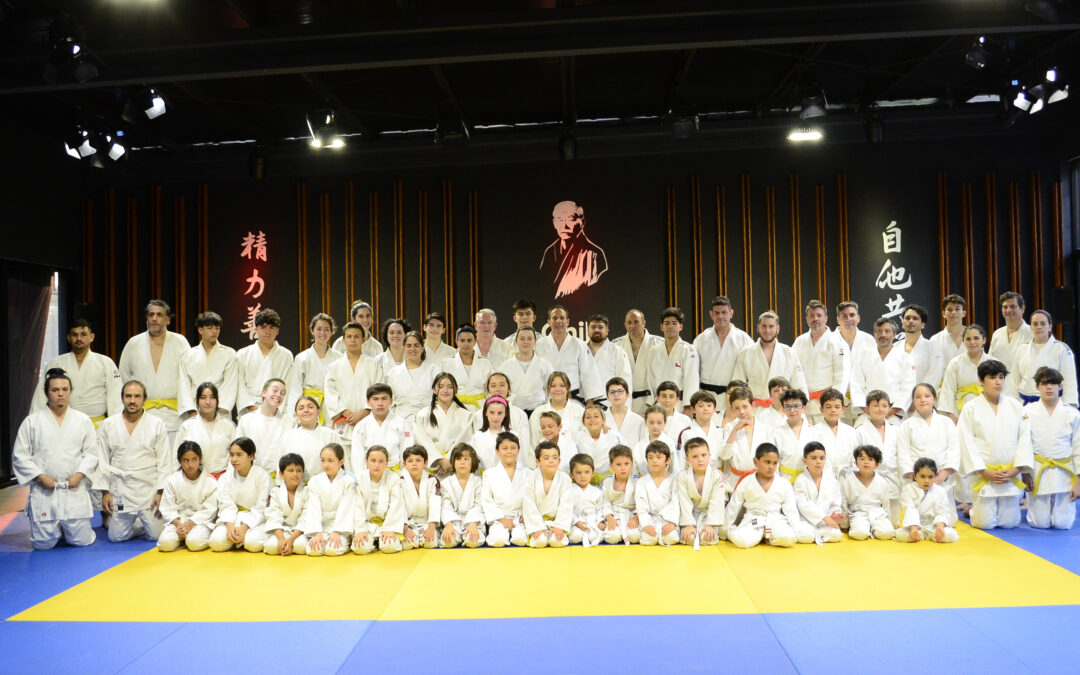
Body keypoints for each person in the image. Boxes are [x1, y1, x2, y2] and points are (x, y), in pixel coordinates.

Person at [13, 368, 99, 549]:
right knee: (43, 545)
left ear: (70, 392)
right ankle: (55, 531)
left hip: (73, 488)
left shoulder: (82, 420)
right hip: (45, 490)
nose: (60, 393)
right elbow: (20, 456)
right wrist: (40, 477)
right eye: (55, 390)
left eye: (65, 389)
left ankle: (68, 530)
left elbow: (92, 453)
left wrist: (80, 474)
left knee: (81, 541)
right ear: (46, 393)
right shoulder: (32, 422)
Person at [98, 380, 171, 543]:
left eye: (137, 396)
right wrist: (105, 492)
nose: (132, 400)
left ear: (144, 398)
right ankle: (138, 523)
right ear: (122, 398)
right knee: (116, 537)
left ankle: (143, 520)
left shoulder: (156, 424)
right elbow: (102, 459)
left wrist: (160, 493)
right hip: (121, 489)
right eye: (128, 396)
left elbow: (164, 461)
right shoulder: (109, 424)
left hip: (148, 489)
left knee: (156, 536)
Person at [118, 299, 190, 443]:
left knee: (171, 462)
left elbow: (189, 378)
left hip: (173, 416)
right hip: (141, 414)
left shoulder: (180, 342)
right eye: (151, 315)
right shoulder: (134, 343)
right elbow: (123, 379)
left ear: (168, 319)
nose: (154, 319)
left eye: (159, 315)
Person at [31, 318, 122, 424]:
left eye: (83, 334)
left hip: (97, 426)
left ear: (91, 337)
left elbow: (115, 398)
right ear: (69, 338)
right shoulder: (56, 363)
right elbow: (40, 397)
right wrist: (34, 424)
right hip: (64, 424)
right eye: (74, 335)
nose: (79, 338)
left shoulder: (105, 362)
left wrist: (117, 427)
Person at [1022, 367, 1080, 529]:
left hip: (1065, 471)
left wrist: (1079, 480)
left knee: (1063, 524)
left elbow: (1078, 448)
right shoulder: (1027, 412)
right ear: (1037, 387)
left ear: (1060, 387)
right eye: (1044, 383)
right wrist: (1025, 473)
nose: (1049, 387)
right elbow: (1022, 445)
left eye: (1054, 383)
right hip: (1038, 469)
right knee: (1039, 523)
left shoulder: (1072, 413)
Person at [896, 383, 959, 518]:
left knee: (949, 520)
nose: (923, 400)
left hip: (941, 479)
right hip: (916, 480)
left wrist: (943, 474)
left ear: (934, 399)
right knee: (915, 519)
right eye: (918, 397)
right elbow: (903, 453)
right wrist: (916, 477)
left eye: (927, 396)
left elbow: (954, 450)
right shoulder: (907, 425)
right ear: (913, 401)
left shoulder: (946, 422)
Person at [725, 443, 799, 548]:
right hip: (753, 518)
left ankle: (767, 537)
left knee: (787, 538)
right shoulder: (747, 482)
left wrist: (795, 529)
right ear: (756, 461)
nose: (771, 467)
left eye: (774, 463)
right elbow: (734, 506)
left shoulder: (783, 484)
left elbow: (791, 510)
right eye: (767, 462)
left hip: (775, 519)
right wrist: (724, 528)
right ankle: (747, 534)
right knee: (743, 542)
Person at [732, 311, 808, 411]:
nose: (767, 330)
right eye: (764, 326)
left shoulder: (789, 353)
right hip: (755, 410)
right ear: (758, 328)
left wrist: (800, 407)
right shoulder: (745, 353)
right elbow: (738, 385)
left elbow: (799, 383)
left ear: (778, 329)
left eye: (771, 326)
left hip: (782, 409)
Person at [324, 321, 384, 446]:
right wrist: (346, 413)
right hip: (344, 421)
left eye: (357, 336)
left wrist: (363, 413)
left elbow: (379, 391)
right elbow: (330, 393)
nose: (353, 340)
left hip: (368, 419)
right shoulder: (334, 367)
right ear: (343, 340)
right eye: (349, 337)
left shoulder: (373, 364)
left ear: (363, 339)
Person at [209, 437, 272, 552]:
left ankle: (241, 539)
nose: (234, 459)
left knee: (252, 544)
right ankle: (236, 538)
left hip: (256, 520)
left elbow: (261, 507)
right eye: (232, 455)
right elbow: (225, 505)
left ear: (251, 456)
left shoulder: (262, 476)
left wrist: (244, 528)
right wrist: (229, 526)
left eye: (239, 455)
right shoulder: (225, 478)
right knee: (216, 542)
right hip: (233, 518)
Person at [693, 295, 754, 412]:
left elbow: (750, 371)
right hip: (706, 397)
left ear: (731, 313)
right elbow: (693, 371)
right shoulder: (701, 340)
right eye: (717, 313)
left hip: (734, 397)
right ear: (711, 314)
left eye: (724, 312)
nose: (720, 316)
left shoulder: (743, 339)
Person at [849, 318, 916, 425]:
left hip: (893, 413)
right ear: (874, 334)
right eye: (879, 331)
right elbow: (856, 384)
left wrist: (892, 410)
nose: (883, 335)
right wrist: (866, 408)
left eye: (887, 331)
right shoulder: (863, 356)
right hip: (868, 412)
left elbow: (908, 387)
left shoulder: (905, 358)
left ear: (894, 335)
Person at [540, 199, 608, 298]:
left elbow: (597, 291)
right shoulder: (550, 252)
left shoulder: (594, 254)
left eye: (570, 219)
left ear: (581, 222)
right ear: (554, 223)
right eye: (560, 219)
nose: (564, 225)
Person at [157, 441, 218, 552]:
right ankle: (180, 539)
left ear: (200, 459)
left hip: (200, 523)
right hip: (178, 522)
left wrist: (191, 523)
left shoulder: (210, 481)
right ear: (180, 461)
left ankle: (188, 539)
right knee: (165, 544)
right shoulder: (172, 480)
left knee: (194, 543)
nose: (190, 465)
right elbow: (167, 508)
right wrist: (178, 523)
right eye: (186, 460)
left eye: (194, 459)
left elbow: (210, 509)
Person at [791, 300, 846, 424]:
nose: (815, 319)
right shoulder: (799, 341)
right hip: (804, 402)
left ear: (826, 318)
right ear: (806, 318)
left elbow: (841, 374)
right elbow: (792, 369)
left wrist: (835, 401)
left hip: (826, 401)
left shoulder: (836, 341)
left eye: (819, 315)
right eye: (812, 315)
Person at [1009, 310, 1078, 406]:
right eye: (1035, 324)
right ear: (1031, 327)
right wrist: (1013, 404)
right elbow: (1013, 381)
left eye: (1043, 323)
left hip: (1053, 403)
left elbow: (1069, 380)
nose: (1039, 327)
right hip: (1026, 404)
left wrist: (1069, 405)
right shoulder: (1021, 349)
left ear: (1050, 327)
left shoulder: (1061, 349)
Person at [536, 305, 604, 402]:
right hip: (547, 400)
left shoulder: (579, 345)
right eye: (555, 318)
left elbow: (589, 374)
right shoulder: (539, 345)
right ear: (548, 322)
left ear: (567, 321)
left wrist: (590, 402)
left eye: (562, 318)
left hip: (572, 400)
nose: (558, 321)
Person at [177, 311, 238, 420]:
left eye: (217, 328)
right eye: (210, 328)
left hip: (219, 413)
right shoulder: (188, 355)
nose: (214, 331)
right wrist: (192, 411)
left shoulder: (229, 354)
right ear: (201, 330)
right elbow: (183, 386)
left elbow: (230, 385)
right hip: (194, 411)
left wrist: (216, 410)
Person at [236, 308, 293, 416]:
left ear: (277, 330)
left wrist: (274, 409)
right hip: (249, 411)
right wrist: (252, 408)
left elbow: (288, 386)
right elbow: (240, 386)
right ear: (256, 329)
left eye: (272, 328)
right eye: (263, 327)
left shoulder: (286, 355)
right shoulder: (243, 354)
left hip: (276, 410)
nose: (267, 332)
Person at [412, 372, 473, 473]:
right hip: (431, 467)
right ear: (434, 390)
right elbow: (421, 440)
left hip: (457, 465)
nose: (445, 390)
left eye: (450, 387)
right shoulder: (423, 414)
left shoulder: (466, 415)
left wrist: (450, 461)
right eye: (441, 386)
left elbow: (465, 439)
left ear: (455, 390)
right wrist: (438, 460)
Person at [286, 313, 342, 420]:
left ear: (332, 332)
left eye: (326, 329)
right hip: (309, 406)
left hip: (332, 406)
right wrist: (293, 415)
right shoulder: (302, 358)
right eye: (319, 329)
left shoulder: (338, 358)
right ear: (312, 331)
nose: (322, 333)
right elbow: (295, 388)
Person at [303, 443, 356, 556]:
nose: (325, 464)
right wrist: (317, 532)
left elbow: (346, 508)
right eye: (323, 460)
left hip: (340, 528)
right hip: (321, 527)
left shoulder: (349, 480)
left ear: (341, 462)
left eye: (330, 461)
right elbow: (313, 507)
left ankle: (346, 540)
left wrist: (337, 531)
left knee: (332, 550)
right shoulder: (315, 481)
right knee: (314, 551)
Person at [352, 445, 406, 554]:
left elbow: (396, 504)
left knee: (389, 547)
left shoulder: (393, 478)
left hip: (386, 524)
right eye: (373, 461)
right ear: (366, 462)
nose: (376, 465)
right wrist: (361, 530)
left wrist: (389, 528)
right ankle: (373, 541)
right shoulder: (359, 479)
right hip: (366, 525)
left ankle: (379, 540)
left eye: (381, 461)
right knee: (360, 548)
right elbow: (357, 507)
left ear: (387, 463)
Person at [481, 431, 532, 547]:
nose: (509, 451)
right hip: (499, 518)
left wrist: (526, 515)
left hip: (520, 518)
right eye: (505, 448)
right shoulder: (489, 473)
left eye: (513, 448)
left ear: (519, 450)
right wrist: (501, 519)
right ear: (497, 451)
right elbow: (486, 499)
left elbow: (532, 497)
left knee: (521, 540)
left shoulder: (528, 472)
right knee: (497, 541)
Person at [939, 324, 998, 422]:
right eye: (968, 339)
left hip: (988, 410)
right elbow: (948, 391)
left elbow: (1001, 391)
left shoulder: (994, 363)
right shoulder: (955, 363)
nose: (972, 342)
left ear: (984, 340)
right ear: (963, 341)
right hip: (960, 412)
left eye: (976, 338)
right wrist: (952, 417)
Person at [719, 387, 775, 491]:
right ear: (731, 409)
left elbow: (773, 459)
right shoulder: (729, 427)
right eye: (737, 408)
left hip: (760, 481)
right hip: (735, 482)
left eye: (745, 406)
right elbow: (725, 456)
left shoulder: (766, 429)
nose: (741, 411)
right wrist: (734, 430)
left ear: (753, 405)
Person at [645, 307, 700, 412]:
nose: (670, 326)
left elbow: (691, 380)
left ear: (680, 326)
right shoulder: (654, 351)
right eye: (667, 323)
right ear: (661, 327)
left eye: (674, 323)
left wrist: (688, 407)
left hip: (679, 403)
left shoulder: (688, 349)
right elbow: (650, 379)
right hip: (659, 403)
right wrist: (651, 403)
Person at [174, 382, 236, 477]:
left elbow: (235, 456)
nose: (208, 402)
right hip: (194, 479)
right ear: (197, 401)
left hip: (223, 479)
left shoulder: (228, 426)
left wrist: (226, 478)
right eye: (203, 397)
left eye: (212, 397)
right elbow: (176, 461)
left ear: (217, 400)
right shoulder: (186, 426)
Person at [894, 457, 960, 543]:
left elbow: (943, 511)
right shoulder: (908, 489)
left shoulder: (941, 491)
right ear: (915, 476)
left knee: (952, 535)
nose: (926, 481)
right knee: (900, 535)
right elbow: (909, 508)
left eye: (930, 477)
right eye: (922, 476)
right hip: (914, 525)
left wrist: (940, 527)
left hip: (933, 525)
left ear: (935, 476)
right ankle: (921, 534)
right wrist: (914, 528)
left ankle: (930, 535)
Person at [235, 378, 289, 478]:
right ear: (263, 393)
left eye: (282, 393)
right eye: (275, 390)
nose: (278, 395)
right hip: (251, 477)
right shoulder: (246, 420)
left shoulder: (290, 421)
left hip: (279, 479)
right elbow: (237, 451)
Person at [351, 383, 412, 474]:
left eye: (384, 398)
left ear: (391, 401)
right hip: (370, 475)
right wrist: (364, 479)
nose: (380, 403)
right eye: (375, 399)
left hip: (396, 474)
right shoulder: (361, 427)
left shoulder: (401, 423)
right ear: (368, 402)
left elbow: (408, 451)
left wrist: (403, 476)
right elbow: (357, 458)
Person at [523, 441, 574, 548]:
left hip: (556, 522)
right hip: (537, 522)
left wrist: (559, 526)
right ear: (538, 461)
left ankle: (556, 530)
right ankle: (539, 531)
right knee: (539, 542)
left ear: (559, 461)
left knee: (557, 542)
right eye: (546, 458)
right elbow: (529, 504)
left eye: (555, 458)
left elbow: (566, 505)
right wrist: (536, 527)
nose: (551, 461)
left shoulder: (565, 479)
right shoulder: (531, 477)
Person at [840, 445, 896, 541]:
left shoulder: (881, 481)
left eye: (870, 459)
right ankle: (865, 528)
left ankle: (873, 528)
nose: (866, 462)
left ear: (877, 464)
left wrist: (888, 520)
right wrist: (844, 524)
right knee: (859, 534)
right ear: (856, 462)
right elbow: (844, 502)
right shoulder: (849, 480)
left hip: (878, 513)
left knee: (888, 533)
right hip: (858, 513)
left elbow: (886, 503)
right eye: (862, 459)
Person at [792, 441, 844, 544]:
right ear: (805, 460)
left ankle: (816, 535)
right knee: (805, 536)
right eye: (813, 458)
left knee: (836, 535)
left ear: (825, 459)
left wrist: (834, 515)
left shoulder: (832, 481)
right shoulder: (800, 480)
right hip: (806, 520)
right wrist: (823, 517)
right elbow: (803, 505)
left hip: (826, 519)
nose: (818, 462)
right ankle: (816, 534)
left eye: (822, 458)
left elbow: (835, 504)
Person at [677, 437, 726, 546]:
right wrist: (688, 524)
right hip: (691, 514)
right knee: (689, 538)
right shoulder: (683, 475)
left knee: (707, 538)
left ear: (709, 455)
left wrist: (710, 525)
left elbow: (716, 501)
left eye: (703, 455)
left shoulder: (716, 475)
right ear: (687, 459)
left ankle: (710, 528)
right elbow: (684, 501)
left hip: (708, 515)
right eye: (695, 456)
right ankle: (689, 527)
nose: (700, 459)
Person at [833, 301, 877, 420]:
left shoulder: (869, 340)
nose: (849, 319)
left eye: (852, 315)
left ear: (858, 318)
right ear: (838, 319)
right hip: (836, 399)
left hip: (863, 399)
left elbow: (873, 370)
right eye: (844, 316)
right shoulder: (830, 340)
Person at [615, 309, 663, 415]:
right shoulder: (616, 345)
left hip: (651, 401)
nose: (633, 326)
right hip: (626, 402)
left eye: (636, 322)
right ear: (625, 325)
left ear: (643, 323)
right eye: (629, 323)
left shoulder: (659, 343)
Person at [385, 331, 440, 422]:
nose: (412, 349)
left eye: (416, 345)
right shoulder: (394, 373)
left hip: (427, 419)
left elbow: (439, 399)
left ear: (422, 348)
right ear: (404, 348)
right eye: (409, 345)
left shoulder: (434, 370)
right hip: (401, 420)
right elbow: (389, 402)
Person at [469, 372, 532, 450]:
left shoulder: (520, 414)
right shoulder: (478, 415)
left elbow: (524, 444)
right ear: (488, 390)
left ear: (508, 388)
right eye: (493, 386)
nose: (498, 389)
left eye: (502, 385)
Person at [281, 395, 337, 482]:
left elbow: (340, 464)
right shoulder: (288, 436)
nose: (306, 410)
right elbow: (281, 467)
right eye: (301, 408)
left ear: (318, 412)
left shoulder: (331, 435)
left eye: (310, 407)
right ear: (296, 414)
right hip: (295, 488)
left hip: (324, 487)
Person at [263, 453, 310, 556]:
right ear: (281, 474)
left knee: (300, 547)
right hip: (281, 530)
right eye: (290, 470)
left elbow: (306, 518)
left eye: (299, 471)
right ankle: (285, 546)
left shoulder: (307, 491)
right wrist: (281, 539)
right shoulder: (275, 492)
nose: (295, 474)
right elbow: (273, 516)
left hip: (299, 532)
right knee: (271, 547)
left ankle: (289, 545)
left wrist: (291, 539)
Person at [440, 443, 485, 548]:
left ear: (472, 462)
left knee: (473, 541)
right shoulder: (446, 483)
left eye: (466, 459)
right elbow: (446, 507)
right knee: (448, 541)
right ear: (453, 462)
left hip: (473, 521)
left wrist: (473, 524)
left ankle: (469, 532)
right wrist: (449, 525)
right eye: (458, 459)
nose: (462, 462)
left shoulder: (478, 482)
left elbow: (478, 505)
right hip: (454, 521)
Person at [635, 440, 680, 546]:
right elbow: (641, 507)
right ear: (646, 460)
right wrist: (646, 525)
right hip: (651, 520)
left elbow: (676, 503)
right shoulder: (642, 482)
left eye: (659, 457)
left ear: (668, 460)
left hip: (668, 520)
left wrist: (672, 523)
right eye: (650, 457)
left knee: (670, 538)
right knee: (648, 540)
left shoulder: (675, 479)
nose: (654, 461)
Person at [853, 390, 900, 490]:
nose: (880, 409)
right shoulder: (859, 431)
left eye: (884, 406)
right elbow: (854, 460)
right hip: (868, 481)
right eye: (876, 405)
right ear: (867, 408)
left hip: (893, 481)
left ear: (889, 408)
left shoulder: (896, 430)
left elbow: (902, 456)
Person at [501, 327, 555, 414]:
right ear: (516, 342)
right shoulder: (505, 366)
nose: (526, 342)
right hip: (513, 412)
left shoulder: (545, 365)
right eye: (522, 339)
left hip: (539, 411)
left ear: (535, 342)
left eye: (529, 339)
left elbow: (552, 390)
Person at [773, 389, 823, 484]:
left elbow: (823, 459)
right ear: (783, 409)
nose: (792, 410)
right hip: (785, 480)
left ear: (804, 408)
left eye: (796, 406)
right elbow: (774, 461)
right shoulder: (777, 433)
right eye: (787, 406)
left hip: (809, 480)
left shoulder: (815, 432)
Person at [896, 304, 945, 393]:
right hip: (897, 400)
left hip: (922, 400)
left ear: (923, 324)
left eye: (915, 318)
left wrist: (918, 397)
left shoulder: (933, 348)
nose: (910, 321)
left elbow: (934, 376)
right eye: (907, 318)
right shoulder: (894, 348)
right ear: (902, 323)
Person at [443, 324, 494, 409]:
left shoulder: (485, 363)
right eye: (462, 340)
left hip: (479, 407)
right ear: (456, 342)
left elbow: (490, 389)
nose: (466, 344)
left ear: (475, 342)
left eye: (469, 340)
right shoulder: (447, 363)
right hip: (455, 406)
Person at [585, 314, 633, 402]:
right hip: (582, 403)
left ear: (607, 331)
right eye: (593, 327)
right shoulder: (580, 349)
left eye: (600, 327)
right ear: (587, 330)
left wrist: (624, 408)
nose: (596, 330)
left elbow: (625, 382)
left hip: (608, 404)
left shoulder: (617, 351)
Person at [400, 446, 441, 550]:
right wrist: (405, 530)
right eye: (410, 461)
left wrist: (431, 527)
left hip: (427, 523)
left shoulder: (432, 480)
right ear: (404, 464)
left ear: (425, 463)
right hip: (407, 524)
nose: (414, 464)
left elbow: (435, 503)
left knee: (430, 543)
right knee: (407, 545)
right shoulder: (399, 481)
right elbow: (399, 506)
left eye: (418, 460)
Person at [529, 371, 584, 444]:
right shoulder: (538, 412)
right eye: (553, 386)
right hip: (545, 454)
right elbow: (532, 442)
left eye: (562, 385)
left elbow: (585, 440)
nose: (557, 389)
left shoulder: (579, 411)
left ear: (568, 388)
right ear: (548, 389)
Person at [575, 402, 624, 483]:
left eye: (596, 416)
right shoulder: (578, 437)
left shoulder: (613, 436)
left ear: (603, 420)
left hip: (609, 479)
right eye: (588, 417)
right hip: (583, 479)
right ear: (583, 422)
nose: (592, 420)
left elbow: (625, 455)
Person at [812, 388, 857, 478]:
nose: (833, 410)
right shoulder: (814, 431)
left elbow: (856, 457)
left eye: (837, 407)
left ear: (842, 409)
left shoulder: (850, 431)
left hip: (848, 476)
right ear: (821, 409)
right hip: (824, 476)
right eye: (828, 407)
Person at [601, 445, 641, 544]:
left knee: (634, 536)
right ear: (611, 466)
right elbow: (604, 502)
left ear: (632, 464)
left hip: (632, 514)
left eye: (626, 464)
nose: (623, 468)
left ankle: (625, 533)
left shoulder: (638, 481)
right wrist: (609, 518)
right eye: (618, 464)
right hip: (615, 515)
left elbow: (642, 502)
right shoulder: (607, 482)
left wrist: (636, 518)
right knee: (612, 537)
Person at [988, 291, 1033, 375]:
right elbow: (991, 362)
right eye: (1005, 307)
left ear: (1022, 309)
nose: (1008, 310)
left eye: (1013, 306)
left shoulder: (1032, 333)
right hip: (1000, 384)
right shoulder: (997, 334)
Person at [676, 390, 725, 464]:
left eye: (709, 405)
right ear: (693, 409)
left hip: (718, 472)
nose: (705, 409)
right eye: (701, 406)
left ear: (714, 409)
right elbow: (681, 460)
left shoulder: (721, 432)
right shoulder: (686, 433)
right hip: (693, 472)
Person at [568, 453, 605, 546]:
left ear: (593, 473)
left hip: (592, 523)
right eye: (578, 472)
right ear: (572, 474)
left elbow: (600, 509)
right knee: (575, 536)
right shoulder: (568, 490)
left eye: (587, 472)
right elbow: (566, 510)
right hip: (575, 524)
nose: (583, 476)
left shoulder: (597, 492)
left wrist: (600, 521)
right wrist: (576, 522)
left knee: (595, 537)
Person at [469, 396, 515, 471]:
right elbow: (473, 464)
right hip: (483, 479)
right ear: (486, 413)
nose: (496, 417)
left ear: (505, 413)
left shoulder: (514, 435)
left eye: (500, 413)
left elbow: (520, 462)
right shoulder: (477, 436)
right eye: (492, 412)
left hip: (508, 478)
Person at [633, 405, 677, 478]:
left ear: (665, 423)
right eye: (651, 422)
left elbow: (675, 469)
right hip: (643, 483)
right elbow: (634, 472)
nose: (655, 426)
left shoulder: (669, 443)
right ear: (645, 423)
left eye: (659, 423)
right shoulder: (638, 447)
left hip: (666, 483)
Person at [929, 294, 968, 370]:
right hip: (944, 381)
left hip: (971, 381)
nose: (953, 312)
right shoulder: (935, 340)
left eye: (957, 309)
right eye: (950, 310)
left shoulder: (974, 337)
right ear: (944, 314)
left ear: (964, 313)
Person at [604, 377, 645, 447]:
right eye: (612, 392)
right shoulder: (601, 419)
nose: (616, 395)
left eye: (620, 391)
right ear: (607, 397)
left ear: (627, 395)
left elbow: (643, 445)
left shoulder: (639, 420)